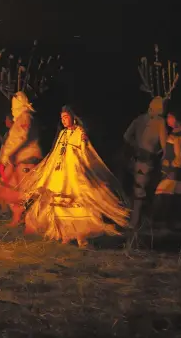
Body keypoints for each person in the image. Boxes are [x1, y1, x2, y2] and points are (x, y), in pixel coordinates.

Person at [19, 106, 129, 248]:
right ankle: (64, 234)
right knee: (56, 204)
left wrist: (82, 168)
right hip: (59, 173)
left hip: (74, 174)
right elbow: (55, 154)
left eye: (66, 117)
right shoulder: (62, 134)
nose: (64, 120)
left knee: (77, 202)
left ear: (73, 117)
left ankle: (81, 236)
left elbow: (85, 152)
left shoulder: (80, 132)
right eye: (62, 118)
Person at [0, 92, 43, 227]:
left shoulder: (26, 117)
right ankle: (17, 218)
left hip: (27, 159)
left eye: (14, 105)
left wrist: (9, 154)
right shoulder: (19, 119)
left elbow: (23, 137)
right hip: (16, 160)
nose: (12, 109)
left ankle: (30, 221)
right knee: (9, 189)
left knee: (25, 192)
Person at [123, 96, 168, 229]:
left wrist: (136, 145)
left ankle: (138, 221)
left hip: (142, 158)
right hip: (146, 159)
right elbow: (165, 146)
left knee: (140, 190)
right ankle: (136, 222)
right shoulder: (159, 122)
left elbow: (126, 136)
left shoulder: (141, 119)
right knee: (141, 191)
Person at [152, 111, 181, 231]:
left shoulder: (177, 134)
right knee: (177, 197)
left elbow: (180, 156)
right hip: (175, 172)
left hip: (173, 172)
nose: (167, 119)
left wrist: (171, 165)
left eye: (169, 117)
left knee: (162, 194)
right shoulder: (176, 132)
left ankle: (163, 223)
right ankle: (176, 224)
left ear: (175, 119)